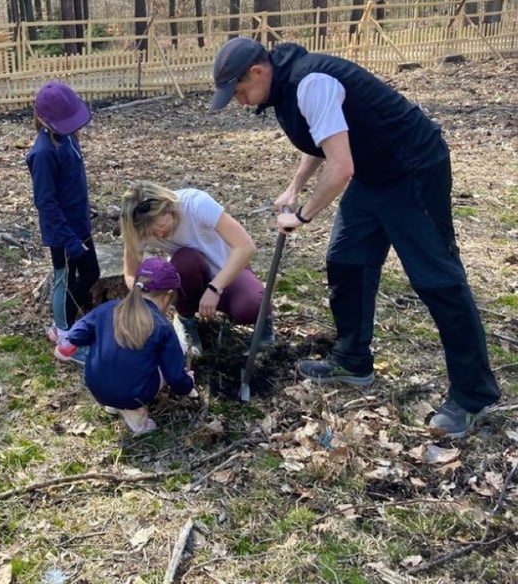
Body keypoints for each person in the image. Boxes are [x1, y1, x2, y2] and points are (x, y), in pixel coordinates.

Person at [209, 37, 501, 437]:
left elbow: (341, 167)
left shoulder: (312, 81)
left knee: (436, 278)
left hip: (412, 167)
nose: (240, 101)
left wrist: (304, 215)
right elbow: (323, 138)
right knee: (346, 260)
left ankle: (473, 395)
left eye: (239, 92)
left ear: (258, 72)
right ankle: (353, 361)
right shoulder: (285, 89)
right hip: (372, 172)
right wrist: (295, 186)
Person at [120, 181, 270, 353]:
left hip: (227, 269)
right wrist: (144, 300)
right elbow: (131, 274)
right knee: (185, 261)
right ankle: (186, 319)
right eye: (152, 234)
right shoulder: (139, 228)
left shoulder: (195, 203)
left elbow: (246, 246)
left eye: (162, 227)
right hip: (190, 276)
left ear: (169, 207)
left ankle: (264, 326)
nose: (160, 236)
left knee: (252, 305)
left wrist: (215, 288)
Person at [55, 258, 195, 435]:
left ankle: (113, 404)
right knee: (171, 355)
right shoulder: (162, 327)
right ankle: (135, 415)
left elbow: (75, 336)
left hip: (96, 386)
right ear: (167, 296)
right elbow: (175, 378)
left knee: (115, 355)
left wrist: (63, 347)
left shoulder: (108, 309)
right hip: (134, 394)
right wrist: (188, 383)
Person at [25, 81, 99, 359]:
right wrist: (69, 240)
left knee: (92, 273)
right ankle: (64, 335)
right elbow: (46, 203)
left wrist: (85, 208)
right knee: (63, 278)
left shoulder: (68, 138)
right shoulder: (43, 153)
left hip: (79, 223)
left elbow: (71, 183)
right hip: (62, 232)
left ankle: (67, 322)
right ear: (44, 119)